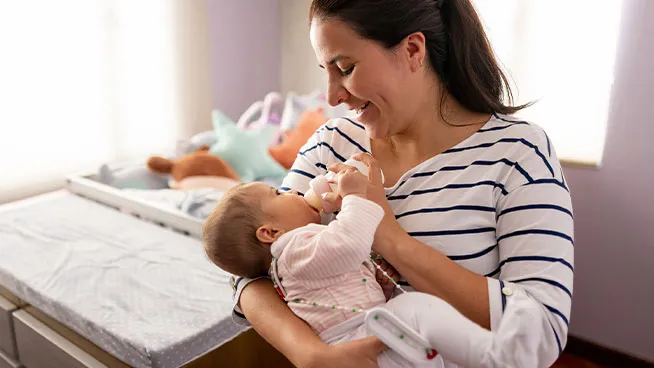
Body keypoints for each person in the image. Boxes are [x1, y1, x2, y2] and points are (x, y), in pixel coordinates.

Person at [232, 0, 574, 367]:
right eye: (326, 71)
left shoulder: (517, 153)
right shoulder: (331, 143)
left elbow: (541, 331)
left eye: (345, 68)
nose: (332, 96)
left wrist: (389, 236)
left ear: (413, 50)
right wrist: (310, 354)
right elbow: (249, 264)